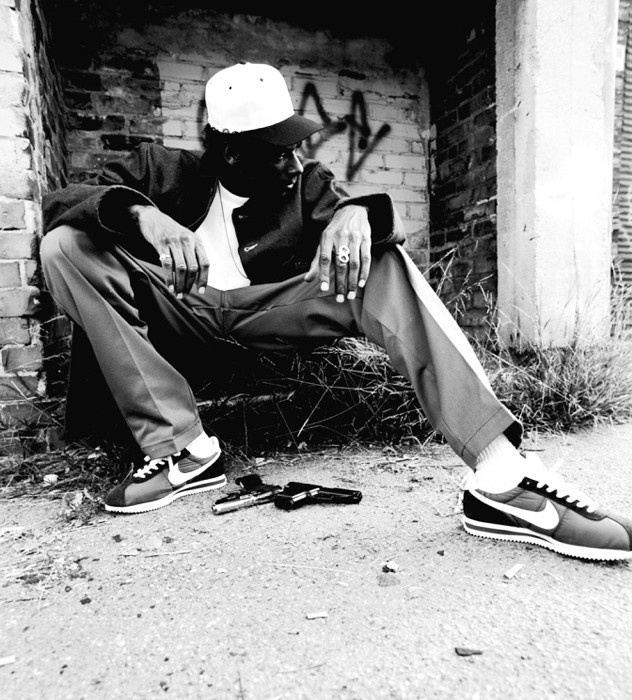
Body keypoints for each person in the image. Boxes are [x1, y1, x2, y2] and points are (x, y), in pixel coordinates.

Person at [41, 61, 632, 561]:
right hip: (178, 308)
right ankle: (180, 450)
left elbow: (360, 221)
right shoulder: (157, 170)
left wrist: (360, 215)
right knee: (65, 244)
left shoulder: (307, 184)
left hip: (267, 315)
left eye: (295, 145)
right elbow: (62, 204)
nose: (295, 163)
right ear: (229, 150)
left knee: (385, 265)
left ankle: (500, 477)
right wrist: (142, 215)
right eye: (276, 152)